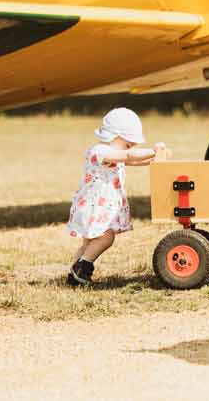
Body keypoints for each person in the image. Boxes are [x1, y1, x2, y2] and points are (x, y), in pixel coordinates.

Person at [66, 107, 170, 287]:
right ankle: (82, 268)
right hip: (94, 206)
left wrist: (154, 159)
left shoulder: (114, 154)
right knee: (106, 237)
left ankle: (75, 273)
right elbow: (130, 156)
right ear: (115, 136)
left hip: (99, 206)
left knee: (90, 242)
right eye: (129, 144)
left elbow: (131, 159)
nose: (131, 148)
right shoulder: (100, 152)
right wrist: (153, 150)